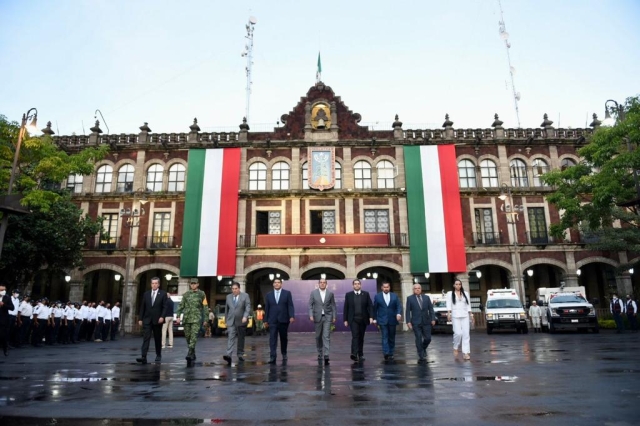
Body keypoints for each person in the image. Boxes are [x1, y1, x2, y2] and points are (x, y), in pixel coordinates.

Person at [175, 278, 208, 363]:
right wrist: (178, 316)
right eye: (191, 284)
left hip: (196, 319)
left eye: (194, 283)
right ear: (190, 285)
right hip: (186, 318)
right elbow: (181, 305)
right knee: (188, 337)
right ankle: (193, 352)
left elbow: (205, 307)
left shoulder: (202, 294)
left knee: (193, 337)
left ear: (198, 284)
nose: (193, 285)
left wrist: (206, 319)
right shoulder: (186, 294)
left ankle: (189, 353)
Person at [137, 277, 168, 364]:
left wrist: (162, 316)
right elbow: (143, 306)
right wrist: (140, 318)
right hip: (147, 319)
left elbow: (165, 307)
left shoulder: (163, 294)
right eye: (152, 283)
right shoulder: (146, 294)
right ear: (151, 284)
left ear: (158, 284)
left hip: (158, 320)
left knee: (157, 338)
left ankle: (158, 355)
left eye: (156, 283)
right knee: (146, 337)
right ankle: (143, 356)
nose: (154, 285)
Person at [264, 277, 295, 364]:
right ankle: (272, 356)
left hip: (283, 319)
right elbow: (267, 308)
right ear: (273, 284)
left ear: (281, 284)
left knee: (283, 338)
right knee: (272, 338)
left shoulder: (287, 293)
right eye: (275, 282)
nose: (277, 284)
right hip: (272, 320)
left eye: (278, 282)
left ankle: (284, 353)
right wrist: (265, 320)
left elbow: (290, 305)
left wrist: (291, 316)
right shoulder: (269, 295)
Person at [308, 278, 337, 365]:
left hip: (327, 317)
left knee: (326, 335)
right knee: (318, 336)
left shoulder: (330, 293)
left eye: (324, 283)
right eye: (321, 282)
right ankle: (320, 352)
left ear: (326, 284)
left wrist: (334, 316)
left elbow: (333, 305)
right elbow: (310, 305)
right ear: (318, 284)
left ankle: (326, 354)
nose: (322, 284)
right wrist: (310, 315)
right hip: (317, 317)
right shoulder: (314, 293)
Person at [343, 279, 373, 362]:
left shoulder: (366, 294)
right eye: (355, 284)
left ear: (361, 285)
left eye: (358, 284)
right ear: (353, 285)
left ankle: (361, 354)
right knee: (355, 336)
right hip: (353, 319)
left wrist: (371, 317)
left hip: (363, 319)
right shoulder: (348, 295)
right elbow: (346, 307)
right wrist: (345, 319)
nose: (356, 285)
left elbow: (370, 306)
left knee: (361, 337)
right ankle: (354, 353)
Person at [406, 283, 435, 363]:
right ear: (413, 290)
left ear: (421, 289)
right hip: (416, 322)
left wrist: (433, 319)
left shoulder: (426, 298)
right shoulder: (410, 298)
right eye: (416, 288)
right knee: (418, 338)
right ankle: (421, 355)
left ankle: (423, 348)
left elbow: (431, 309)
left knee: (428, 338)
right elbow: (407, 311)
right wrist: (408, 321)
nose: (417, 289)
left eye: (419, 288)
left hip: (426, 321)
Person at [372, 281, 402, 360]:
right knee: (384, 336)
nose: (386, 288)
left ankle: (391, 352)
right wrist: (374, 319)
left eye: (387, 287)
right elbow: (375, 309)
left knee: (392, 337)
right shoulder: (377, 296)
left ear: (389, 287)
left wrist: (398, 314)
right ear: (382, 288)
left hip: (392, 319)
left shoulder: (394, 296)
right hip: (382, 320)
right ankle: (386, 353)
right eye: (384, 287)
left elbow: (398, 306)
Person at [224, 282, 252, 364]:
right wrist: (226, 320)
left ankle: (240, 354)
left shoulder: (245, 296)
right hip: (231, 320)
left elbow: (248, 307)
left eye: (236, 289)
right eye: (232, 289)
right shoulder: (228, 297)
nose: (234, 290)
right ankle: (228, 354)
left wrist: (245, 316)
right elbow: (227, 309)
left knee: (241, 338)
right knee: (231, 337)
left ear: (239, 289)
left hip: (241, 320)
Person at [447, 279, 474, 360]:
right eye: (456, 284)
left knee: (466, 334)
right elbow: (449, 304)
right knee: (458, 333)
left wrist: (471, 315)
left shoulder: (465, 294)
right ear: (454, 285)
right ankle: (456, 346)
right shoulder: (450, 293)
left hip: (465, 315)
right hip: (455, 315)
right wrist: (449, 313)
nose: (458, 285)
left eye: (459, 284)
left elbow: (468, 305)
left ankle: (466, 352)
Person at [0, 285, 16, 356]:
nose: (3, 291)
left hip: (3, 319)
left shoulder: (7, 297)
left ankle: (5, 349)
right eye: (1, 290)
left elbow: (12, 308)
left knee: (4, 335)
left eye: (4, 289)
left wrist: (4, 305)